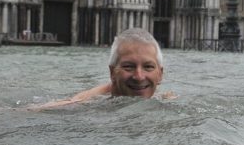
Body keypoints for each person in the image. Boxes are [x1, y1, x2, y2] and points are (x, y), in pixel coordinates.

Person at [30, 28, 165, 110]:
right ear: (112, 73)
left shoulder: (165, 97)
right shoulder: (86, 102)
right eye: (128, 67)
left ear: (160, 75)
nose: (139, 76)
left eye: (148, 67)